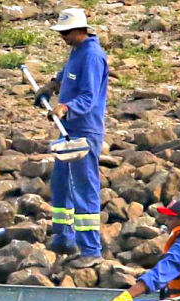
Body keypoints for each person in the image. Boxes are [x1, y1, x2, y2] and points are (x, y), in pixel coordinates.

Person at [35, 8, 108, 268]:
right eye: (61, 32)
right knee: (61, 183)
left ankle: (91, 249)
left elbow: (88, 97)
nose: (63, 37)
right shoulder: (77, 51)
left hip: (84, 131)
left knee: (84, 188)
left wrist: (65, 108)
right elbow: (67, 74)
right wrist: (52, 85)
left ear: (80, 30)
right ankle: (64, 237)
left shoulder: (92, 56)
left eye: (66, 32)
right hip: (69, 129)